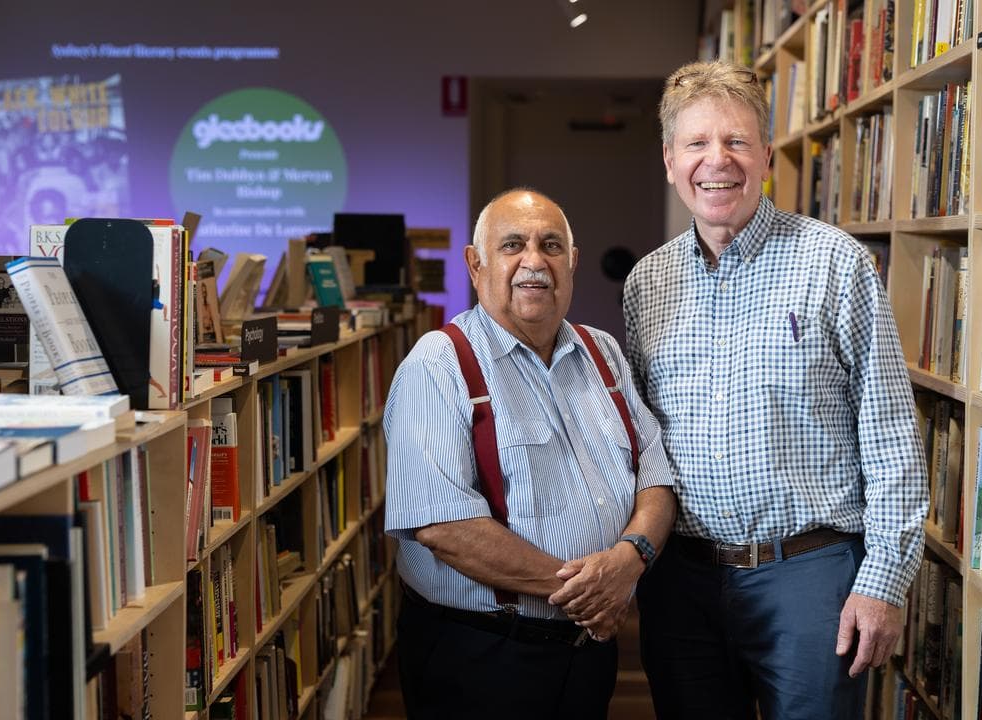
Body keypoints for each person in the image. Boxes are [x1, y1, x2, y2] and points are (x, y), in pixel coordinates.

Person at [622, 60, 929, 720]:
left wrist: (883, 582)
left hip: (810, 576)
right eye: (697, 143)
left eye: (736, 140)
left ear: (766, 155)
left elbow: (891, 436)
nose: (717, 160)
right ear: (671, 161)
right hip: (683, 583)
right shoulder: (646, 284)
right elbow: (641, 445)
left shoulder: (836, 262)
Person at [384, 189, 677, 719]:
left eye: (551, 245)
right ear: (475, 264)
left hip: (587, 650)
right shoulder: (438, 364)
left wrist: (628, 560)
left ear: (573, 262)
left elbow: (655, 475)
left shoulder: (603, 352)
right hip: (484, 655)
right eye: (513, 245)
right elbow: (443, 525)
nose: (535, 261)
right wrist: (591, 593)